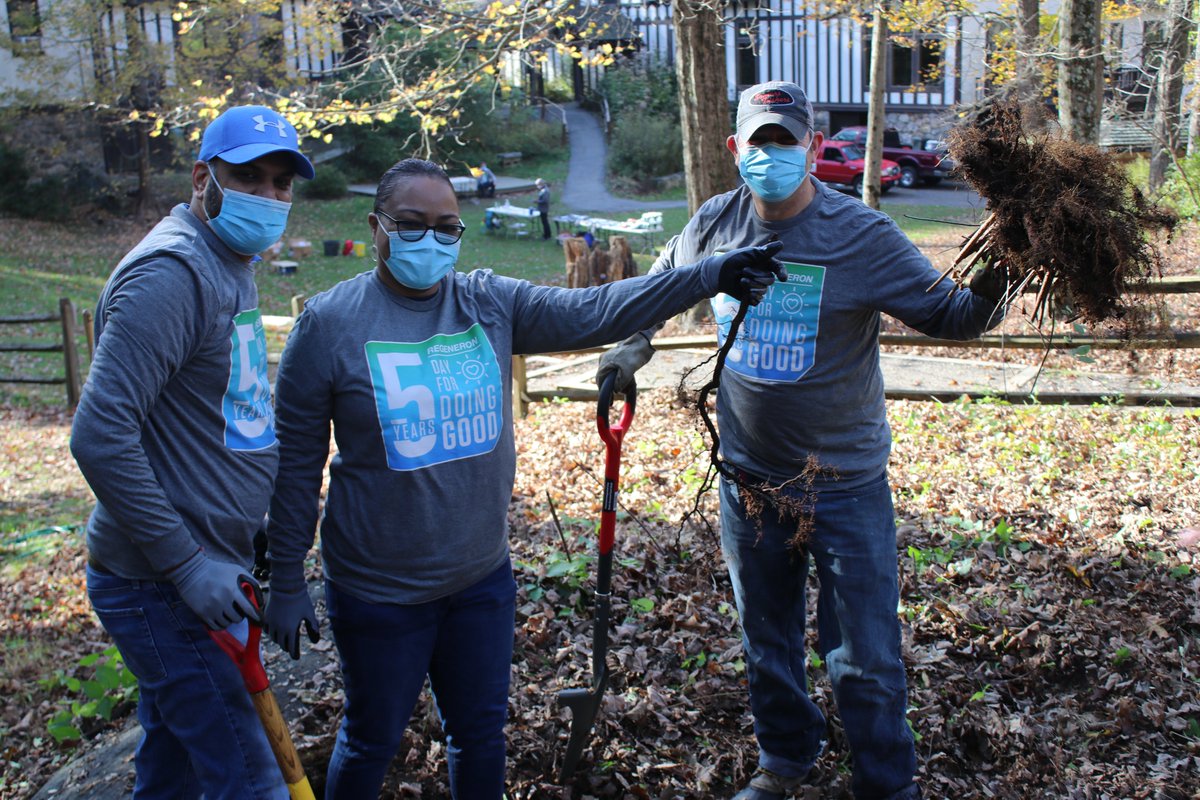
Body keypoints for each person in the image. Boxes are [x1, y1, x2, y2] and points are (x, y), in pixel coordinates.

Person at [261, 158, 785, 799]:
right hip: (378, 593)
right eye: (411, 224)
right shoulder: (330, 324)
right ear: (376, 226)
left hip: (480, 581)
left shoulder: (488, 301)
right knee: (371, 737)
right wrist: (286, 577)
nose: (431, 239)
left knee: (479, 735)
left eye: (447, 227)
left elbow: (597, 309)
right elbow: (294, 464)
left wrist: (707, 274)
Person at [596, 81, 1008, 800]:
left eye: (787, 140)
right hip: (748, 477)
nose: (773, 154)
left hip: (842, 481)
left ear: (814, 148)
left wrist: (1005, 262)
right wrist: (629, 349)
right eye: (760, 142)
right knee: (768, 639)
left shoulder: (862, 236)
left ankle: (886, 784)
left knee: (865, 655)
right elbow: (657, 290)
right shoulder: (713, 225)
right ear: (736, 150)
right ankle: (785, 760)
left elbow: (952, 316)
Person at [69, 104, 315, 798]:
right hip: (162, 584)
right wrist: (184, 562)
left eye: (281, 183)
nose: (268, 197)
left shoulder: (229, 260)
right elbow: (99, 433)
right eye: (248, 178)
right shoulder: (172, 274)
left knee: (172, 765)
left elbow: (217, 411)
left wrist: (254, 517)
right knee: (249, 776)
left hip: (207, 563)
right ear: (204, 176)